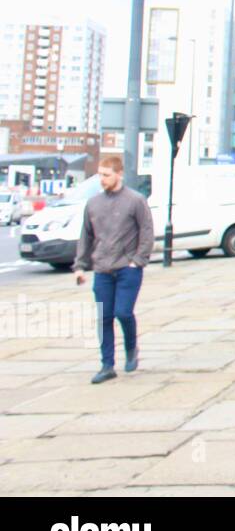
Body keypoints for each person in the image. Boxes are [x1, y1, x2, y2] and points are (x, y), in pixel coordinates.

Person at [73, 155, 155, 384]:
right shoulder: (93, 204)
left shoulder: (136, 200)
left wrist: (138, 260)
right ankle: (107, 364)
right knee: (104, 317)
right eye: (100, 174)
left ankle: (131, 348)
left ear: (119, 174)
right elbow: (86, 237)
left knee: (123, 312)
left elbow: (147, 232)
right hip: (102, 270)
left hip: (128, 268)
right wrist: (80, 266)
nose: (102, 179)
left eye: (106, 175)